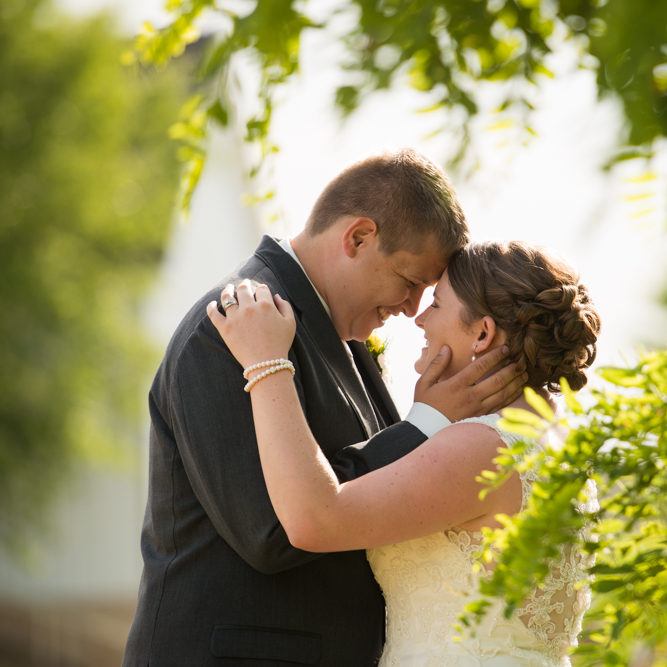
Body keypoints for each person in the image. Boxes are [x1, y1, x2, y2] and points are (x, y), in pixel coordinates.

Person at [123, 150, 526, 667]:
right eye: (409, 282)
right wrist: (425, 425)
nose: (411, 310)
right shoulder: (235, 327)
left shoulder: (346, 339)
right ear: (358, 238)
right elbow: (271, 531)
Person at [207, 240, 602, 667]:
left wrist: (266, 363)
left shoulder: (484, 448)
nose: (419, 318)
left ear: (483, 333)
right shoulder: (554, 441)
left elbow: (314, 519)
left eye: (436, 303)